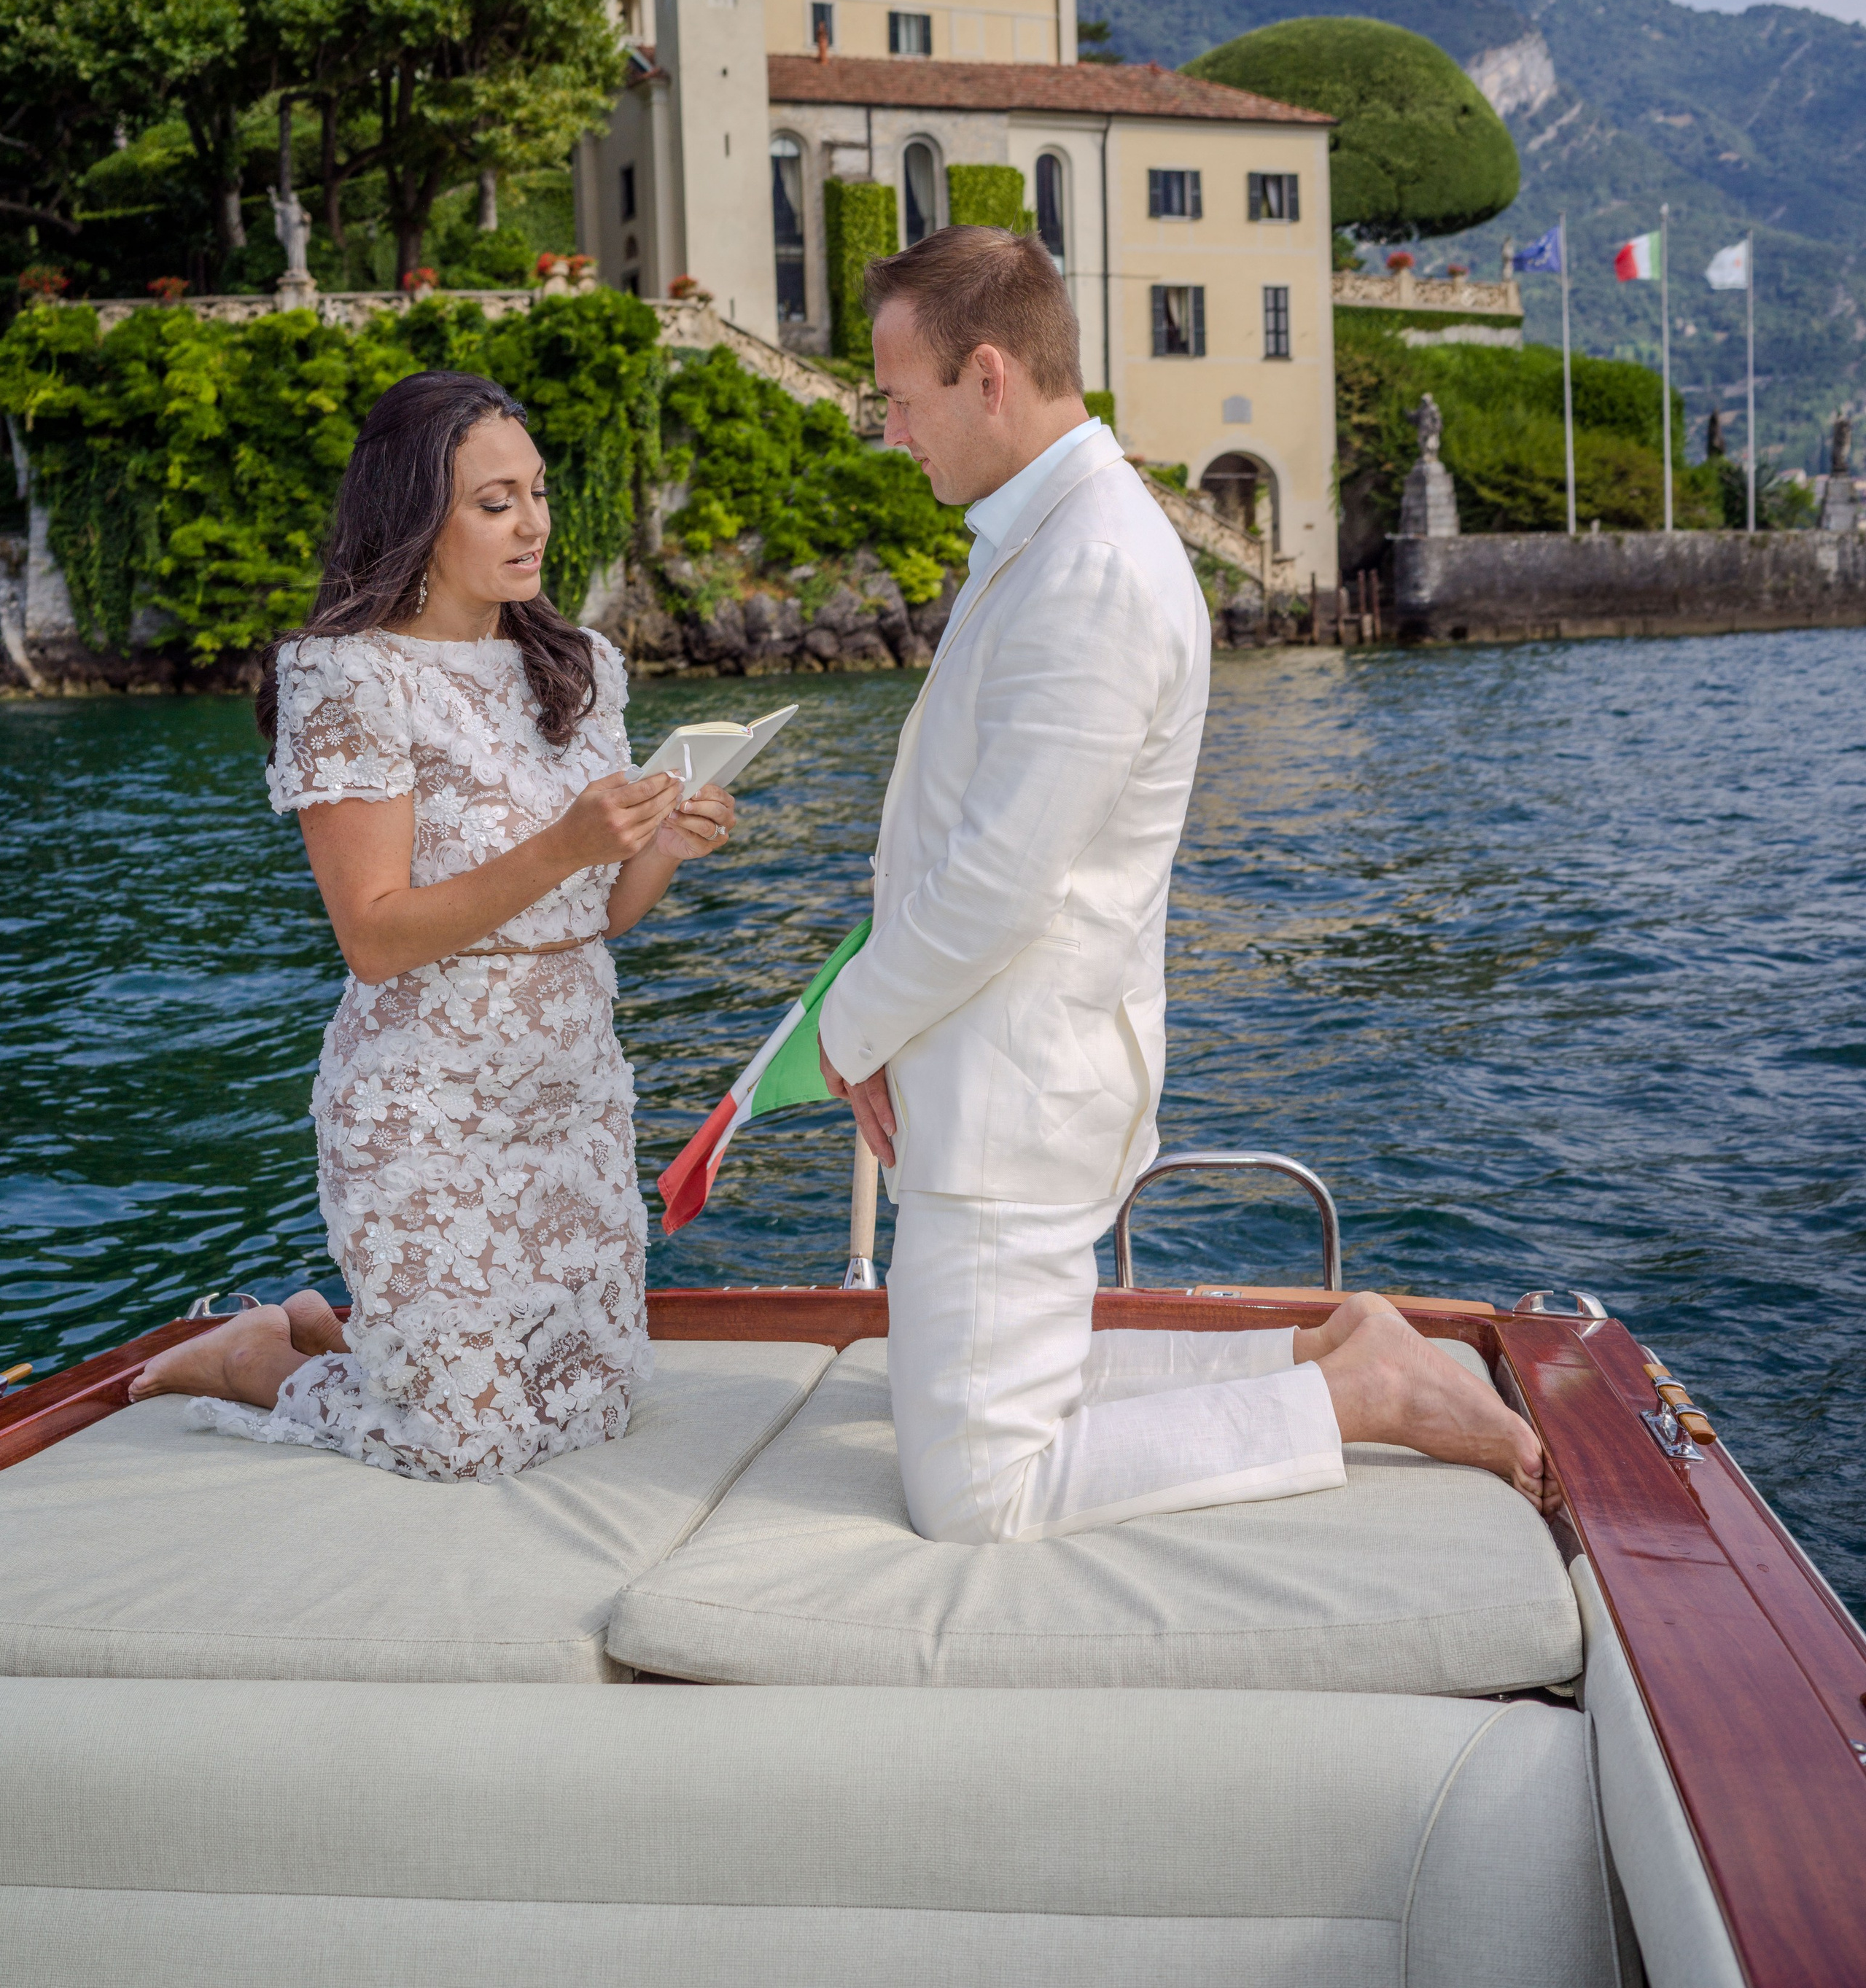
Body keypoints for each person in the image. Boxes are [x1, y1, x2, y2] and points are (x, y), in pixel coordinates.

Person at [818, 227, 1547, 1543]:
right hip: (996, 1063)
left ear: (988, 379)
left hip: (1016, 1076)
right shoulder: (1053, 536)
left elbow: (999, 882)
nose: (889, 427)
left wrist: (847, 1026)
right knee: (983, 1397)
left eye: (898, 397)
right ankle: (1328, 1360)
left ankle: (1357, 1395)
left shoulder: (1089, 564)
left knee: (981, 1494)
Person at [130, 370, 736, 1481]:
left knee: (593, 1411)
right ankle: (260, 1352)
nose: (535, 522)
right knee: (464, 1441)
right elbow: (375, 935)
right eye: (496, 501)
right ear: (418, 516)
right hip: (429, 1107)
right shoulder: (345, 675)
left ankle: (348, 1332)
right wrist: (565, 839)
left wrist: (658, 845)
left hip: (572, 1093)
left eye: (538, 493)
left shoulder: (581, 666)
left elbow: (594, 916)